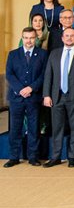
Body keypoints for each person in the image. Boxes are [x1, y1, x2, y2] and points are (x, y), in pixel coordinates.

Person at [42, 27, 74, 168]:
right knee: (57, 128)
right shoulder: (54, 53)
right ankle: (56, 157)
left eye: (72, 36)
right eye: (66, 36)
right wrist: (46, 95)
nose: (69, 38)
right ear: (62, 38)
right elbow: (48, 76)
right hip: (56, 96)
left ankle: (72, 156)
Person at [4, 27, 47, 168]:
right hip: (16, 97)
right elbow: (9, 74)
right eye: (26, 38)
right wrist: (20, 89)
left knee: (34, 128)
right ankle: (14, 157)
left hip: (33, 97)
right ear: (22, 38)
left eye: (31, 38)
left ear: (36, 38)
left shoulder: (42, 54)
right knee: (15, 128)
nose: (29, 41)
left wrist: (31, 88)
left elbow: (44, 75)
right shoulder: (13, 54)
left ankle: (33, 157)